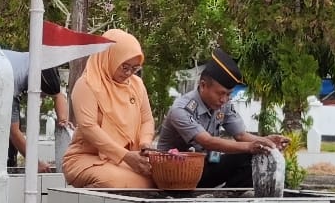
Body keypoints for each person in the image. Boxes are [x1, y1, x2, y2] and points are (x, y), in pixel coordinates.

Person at [156, 48, 290, 188]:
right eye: (221, 93)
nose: (224, 99)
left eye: (228, 94)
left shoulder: (223, 104)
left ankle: (229, 198)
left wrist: (267, 141)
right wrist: (250, 147)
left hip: (205, 166)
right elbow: (207, 142)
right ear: (203, 86)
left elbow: (240, 135)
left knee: (251, 157)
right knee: (246, 151)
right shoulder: (182, 109)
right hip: (176, 173)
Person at [61, 30, 156, 189]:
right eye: (124, 67)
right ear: (109, 57)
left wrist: (145, 143)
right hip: (86, 158)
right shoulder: (87, 84)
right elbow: (88, 128)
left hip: (125, 160)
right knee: (115, 183)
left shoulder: (137, 85)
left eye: (134, 68)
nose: (128, 73)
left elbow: (146, 119)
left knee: (157, 180)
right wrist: (124, 156)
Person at [0, 49, 71, 172]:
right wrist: (36, 163)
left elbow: (58, 95)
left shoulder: (39, 63)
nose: (42, 97)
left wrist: (63, 120)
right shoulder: (12, 82)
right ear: (35, 83)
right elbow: (14, 133)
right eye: (42, 93)